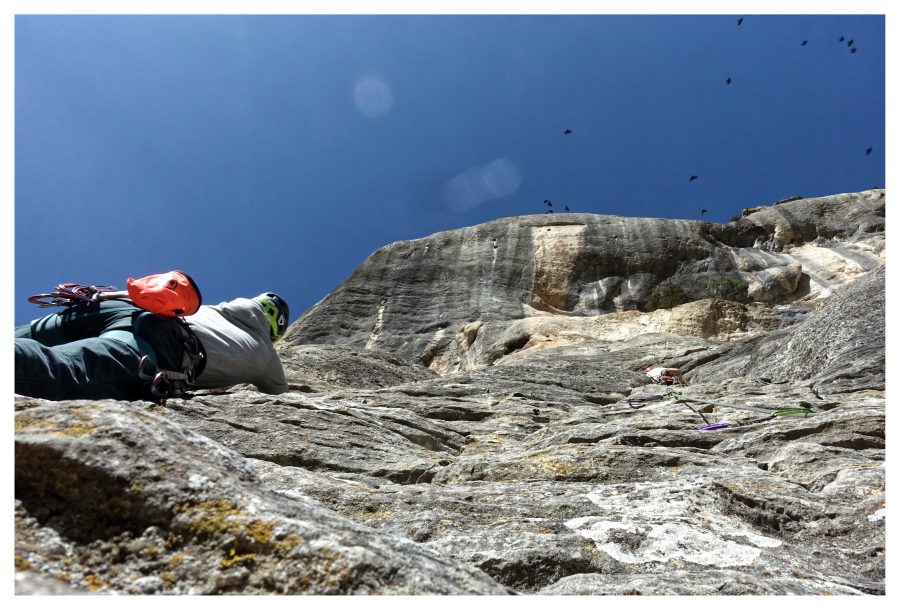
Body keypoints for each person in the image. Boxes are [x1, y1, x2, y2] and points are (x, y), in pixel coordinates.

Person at [15, 292, 289, 401]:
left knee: (23, 335)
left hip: (119, 307)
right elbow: (281, 395)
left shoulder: (215, 309)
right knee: (66, 371)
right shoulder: (267, 354)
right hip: (154, 341)